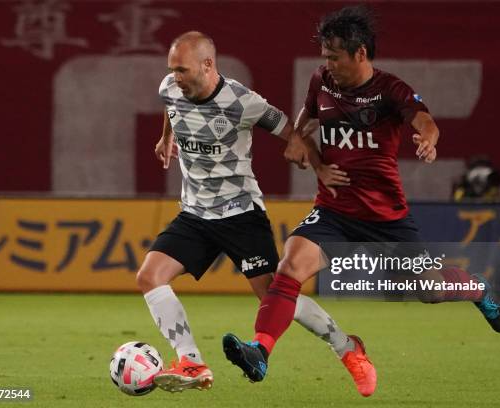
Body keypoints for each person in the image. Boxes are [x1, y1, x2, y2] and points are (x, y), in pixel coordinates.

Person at [222, 5, 500, 397]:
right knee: (290, 266)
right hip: (334, 210)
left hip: (385, 219)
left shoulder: (390, 90)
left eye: (334, 56)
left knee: (430, 290)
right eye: (325, 55)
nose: (328, 63)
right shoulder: (321, 80)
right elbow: (306, 121)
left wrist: (428, 139)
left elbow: (426, 121)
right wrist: (312, 158)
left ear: (360, 53)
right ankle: (260, 351)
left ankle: (477, 289)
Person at [136, 31, 364, 394]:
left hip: (240, 213)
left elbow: (290, 128)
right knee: (149, 276)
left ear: (208, 65)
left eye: (182, 70)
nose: (175, 77)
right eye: (172, 70)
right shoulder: (170, 87)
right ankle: (192, 362)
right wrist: (167, 138)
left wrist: (303, 152)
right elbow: (171, 107)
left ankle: (345, 345)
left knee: (274, 296)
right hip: (195, 214)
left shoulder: (243, 102)